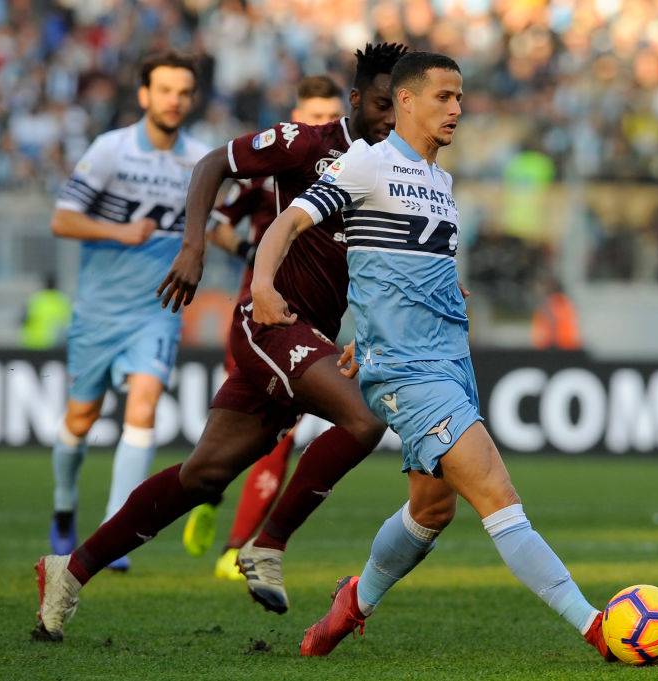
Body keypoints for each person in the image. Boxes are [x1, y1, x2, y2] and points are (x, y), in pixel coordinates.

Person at [31, 43, 408, 643]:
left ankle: (68, 571)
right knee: (364, 421)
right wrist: (193, 246)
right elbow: (212, 164)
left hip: (311, 336)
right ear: (358, 99)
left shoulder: (393, 169)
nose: (393, 117)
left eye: (403, 106)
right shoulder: (307, 143)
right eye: (386, 104)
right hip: (269, 324)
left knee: (203, 476)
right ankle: (267, 544)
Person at [249, 51, 617, 661]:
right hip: (409, 374)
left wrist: (420, 302)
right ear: (406, 102)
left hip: (450, 363)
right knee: (498, 494)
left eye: (461, 97)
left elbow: (396, 267)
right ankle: (596, 627)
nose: (457, 108)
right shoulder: (367, 162)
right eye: (443, 96)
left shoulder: (441, 182)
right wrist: (265, 285)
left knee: (432, 509)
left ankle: (350, 606)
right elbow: (288, 223)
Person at [45, 51, 210, 572]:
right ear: (144, 95)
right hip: (98, 311)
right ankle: (65, 505)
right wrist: (119, 231)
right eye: (164, 90)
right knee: (81, 419)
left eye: (183, 92)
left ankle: (112, 531)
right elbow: (63, 220)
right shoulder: (110, 150)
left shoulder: (200, 159)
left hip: (157, 310)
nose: (174, 100)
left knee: (144, 406)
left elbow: (211, 226)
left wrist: (246, 244)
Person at [181, 75, 346, 581]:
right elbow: (219, 222)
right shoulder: (270, 168)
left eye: (328, 114)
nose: (319, 123)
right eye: (311, 113)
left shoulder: (352, 168)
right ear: (296, 112)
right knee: (247, 433)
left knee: (281, 437)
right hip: (260, 316)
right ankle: (211, 494)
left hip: (310, 319)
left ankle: (239, 544)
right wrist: (250, 253)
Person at [20, 273, 72, 350]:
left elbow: (23, 320)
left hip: (32, 345)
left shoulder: (35, 300)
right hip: (55, 347)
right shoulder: (63, 301)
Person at [530, 275, 582, 351]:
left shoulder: (552, 302)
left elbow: (553, 323)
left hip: (558, 345)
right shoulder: (565, 302)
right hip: (566, 344)